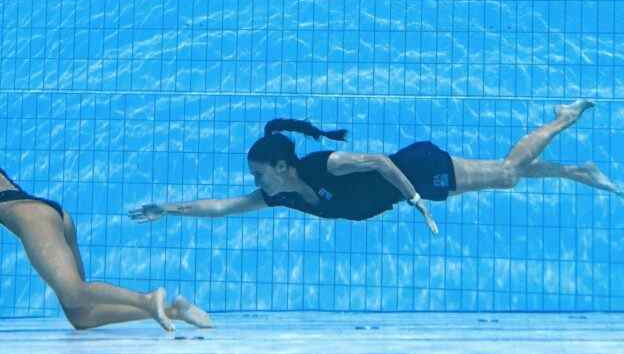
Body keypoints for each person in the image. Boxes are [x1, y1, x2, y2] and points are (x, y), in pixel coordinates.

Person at [0, 118, 212, 332]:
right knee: (81, 315)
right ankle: (174, 310)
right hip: (53, 215)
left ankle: (147, 298)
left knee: (75, 292)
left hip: (33, 219)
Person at [130, 101, 621, 231]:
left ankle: (562, 118)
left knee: (509, 173)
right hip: (419, 186)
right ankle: (581, 171)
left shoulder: (329, 165)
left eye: (259, 173)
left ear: (281, 165)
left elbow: (383, 162)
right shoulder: (278, 194)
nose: (254, 183)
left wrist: (414, 200)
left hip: (419, 169)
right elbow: (219, 207)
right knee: (504, 175)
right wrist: (169, 208)